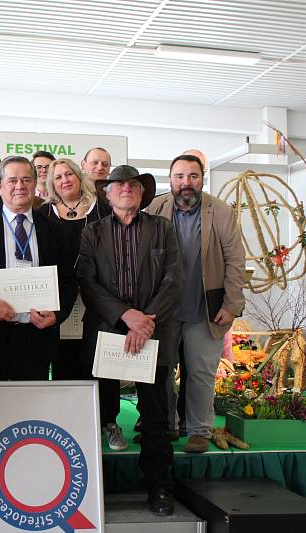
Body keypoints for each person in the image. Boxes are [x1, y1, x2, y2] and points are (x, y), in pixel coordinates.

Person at [76, 165, 181, 516]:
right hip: (106, 331)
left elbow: (173, 280)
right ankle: (89, 492)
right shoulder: (93, 233)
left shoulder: (163, 229)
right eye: (117, 184)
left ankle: (159, 488)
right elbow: (87, 282)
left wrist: (144, 321)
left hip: (152, 332)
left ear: (142, 192)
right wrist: (126, 315)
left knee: (155, 416)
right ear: (106, 194)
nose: (125, 188)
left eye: (132, 184)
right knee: (98, 413)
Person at [145, 154, 245, 454]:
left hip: (206, 308)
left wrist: (232, 303)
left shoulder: (222, 212)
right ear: (170, 179)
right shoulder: (155, 208)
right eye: (179, 176)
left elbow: (236, 261)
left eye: (193, 176)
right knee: (161, 372)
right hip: (163, 310)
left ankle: (199, 431)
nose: (186, 183)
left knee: (201, 372)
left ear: (202, 179)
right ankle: (165, 426)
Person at [0, 156, 76, 386]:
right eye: (12, 180)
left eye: (26, 180)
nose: (19, 186)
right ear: (0, 186)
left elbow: (69, 281)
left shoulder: (56, 230)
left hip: (37, 337)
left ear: (35, 185)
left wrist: (57, 315)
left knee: (29, 414)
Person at [38, 158, 100, 382]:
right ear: (51, 184)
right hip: (60, 298)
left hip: (96, 297)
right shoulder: (44, 214)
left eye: (69, 174)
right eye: (58, 177)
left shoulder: (101, 208)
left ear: (78, 176)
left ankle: (104, 416)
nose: (65, 180)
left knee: (95, 360)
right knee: (64, 359)